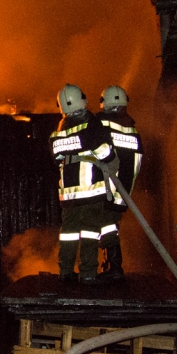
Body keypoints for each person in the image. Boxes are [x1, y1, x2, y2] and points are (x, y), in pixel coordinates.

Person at [49, 84, 118, 285]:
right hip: (90, 191)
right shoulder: (92, 125)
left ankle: (65, 271)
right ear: (81, 100)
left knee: (68, 234)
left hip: (69, 194)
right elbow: (106, 153)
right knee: (90, 231)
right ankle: (87, 273)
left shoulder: (58, 131)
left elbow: (56, 158)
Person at [96, 86, 142, 283]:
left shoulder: (100, 124)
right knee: (109, 226)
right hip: (123, 188)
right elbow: (136, 162)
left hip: (105, 186)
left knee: (105, 227)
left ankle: (114, 267)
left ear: (104, 102)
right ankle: (110, 265)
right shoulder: (131, 128)